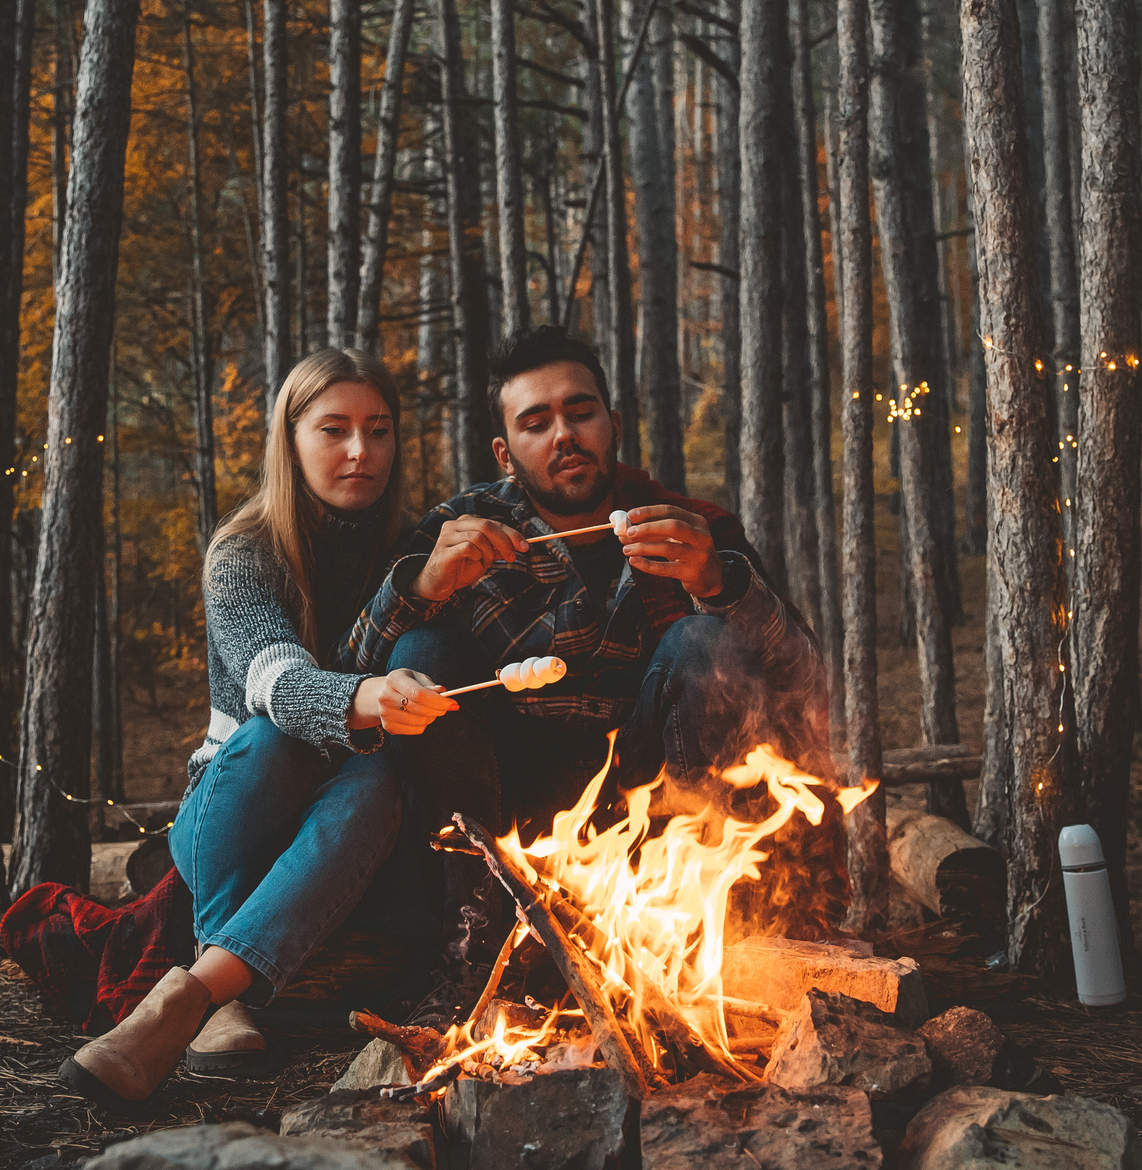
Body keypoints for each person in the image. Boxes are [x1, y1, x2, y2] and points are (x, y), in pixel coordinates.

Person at [336, 325, 818, 973]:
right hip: (499, 799)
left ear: (612, 423)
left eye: (580, 412)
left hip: (647, 798)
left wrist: (720, 581)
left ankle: (687, 938)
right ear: (506, 453)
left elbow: (806, 679)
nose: (564, 434)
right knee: (426, 648)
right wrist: (419, 586)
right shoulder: (458, 530)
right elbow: (348, 685)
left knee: (701, 639)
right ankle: (475, 950)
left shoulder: (683, 524)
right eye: (537, 422)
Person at [59, 349, 448, 1106]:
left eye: (379, 429)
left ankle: (194, 996)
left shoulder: (411, 550)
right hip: (232, 806)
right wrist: (371, 695)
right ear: (290, 437)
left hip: (353, 825)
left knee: (373, 776)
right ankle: (221, 971)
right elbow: (275, 684)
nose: (360, 451)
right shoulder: (243, 551)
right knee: (277, 736)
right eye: (333, 429)